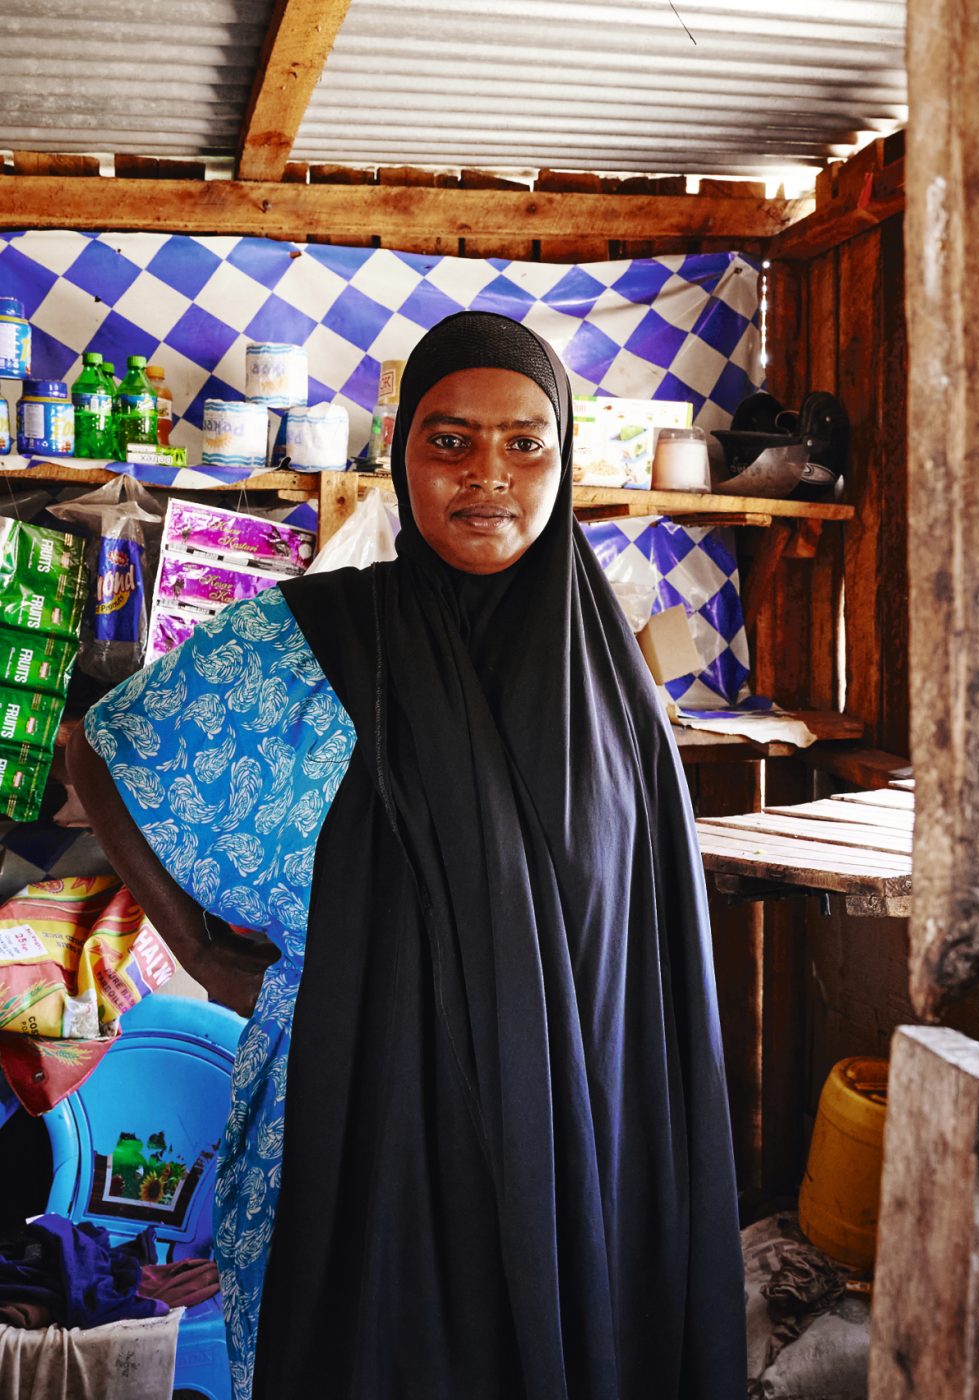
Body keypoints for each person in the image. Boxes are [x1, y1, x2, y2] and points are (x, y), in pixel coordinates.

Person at [68, 312, 747, 1400]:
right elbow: (105, 747)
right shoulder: (317, 638)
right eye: (450, 440)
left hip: (577, 1146)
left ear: (563, 462)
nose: (489, 475)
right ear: (401, 456)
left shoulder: (609, 675)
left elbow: (646, 944)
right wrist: (197, 948)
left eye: (525, 442)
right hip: (374, 1124)